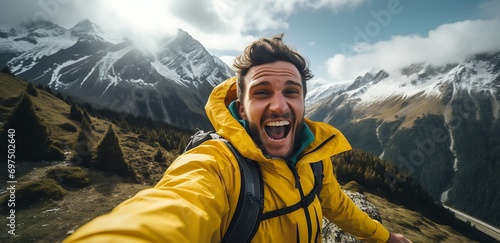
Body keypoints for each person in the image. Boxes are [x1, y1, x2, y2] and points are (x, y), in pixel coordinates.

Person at [63, 34, 412, 243]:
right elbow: (173, 211)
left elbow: (335, 203)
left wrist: (384, 237)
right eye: (262, 93)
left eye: (291, 91)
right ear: (240, 108)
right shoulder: (217, 166)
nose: (279, 105)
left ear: (304, 102)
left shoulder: (314, 157)